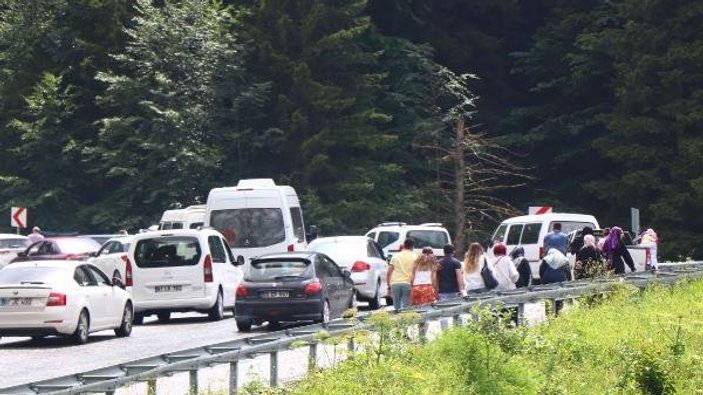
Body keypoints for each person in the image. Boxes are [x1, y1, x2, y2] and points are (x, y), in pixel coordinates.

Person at [386, 238, 417, 311]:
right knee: (405, 307)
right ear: (412, 246)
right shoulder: (415, 257)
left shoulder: (395, 256)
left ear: (404, 245)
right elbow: (415, 272)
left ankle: (397, 320)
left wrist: (389, 286)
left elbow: (389, 272)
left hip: (395, 283)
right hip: (408, 283)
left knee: (396, 307)